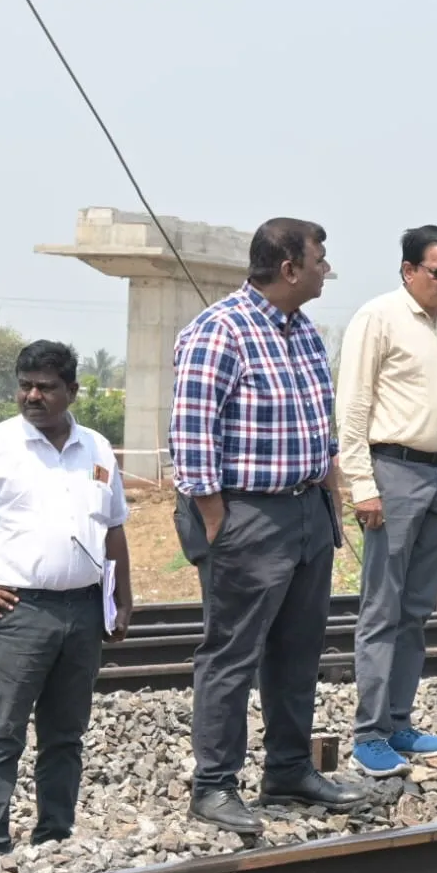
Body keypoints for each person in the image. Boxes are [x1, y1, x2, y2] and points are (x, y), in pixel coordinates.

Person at [170, 217, 364, 835]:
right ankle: (214, 784)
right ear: (289, 268)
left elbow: (318, 422)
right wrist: (217, 522)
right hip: (248, 514)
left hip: (307, 511)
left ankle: (288, 770)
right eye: (319, 260)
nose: (325, 270)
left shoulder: (302, 330)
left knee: (298, 650)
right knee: (232, 652)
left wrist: (331, 492)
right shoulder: (219, 330)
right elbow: (192, 437)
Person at [0, 342, 132, 853]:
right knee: (2, 731)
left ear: (72, 391)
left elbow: (114, 528)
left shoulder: (96, 448)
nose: (32, 395)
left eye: (46, 387)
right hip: (17, 611)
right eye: (25, 385)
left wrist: (122, 601)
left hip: (84, 610)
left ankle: (55, 835)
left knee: (65, 734)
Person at [336, 225, 437, 777]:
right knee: (382, 608)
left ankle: (398, 720)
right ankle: (369, 733)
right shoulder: (379, 318)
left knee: (417, 609)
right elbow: (354, 405)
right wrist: (361, 484)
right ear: (409, 270)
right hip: (394, 473)